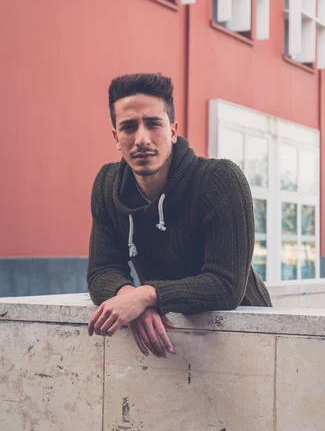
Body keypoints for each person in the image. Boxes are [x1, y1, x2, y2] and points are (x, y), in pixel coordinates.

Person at [87, 73, 272, 357]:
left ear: (172, 131)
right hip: (170, 347)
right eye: (128, 127)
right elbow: (102, 270)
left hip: (245, 339)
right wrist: (129, 300)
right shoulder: (108, 186)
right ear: (116, 137)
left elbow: (226, 284)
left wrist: (148, 296)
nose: (142, 139)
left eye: (153, 124)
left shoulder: (219, 180)